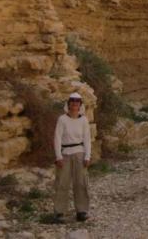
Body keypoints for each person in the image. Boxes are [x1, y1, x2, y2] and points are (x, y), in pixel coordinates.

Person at [53, 92, 92, 222]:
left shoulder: (84, 120)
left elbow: (87, 139)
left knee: (81, 183)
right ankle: (59, 212)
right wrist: (58, 156)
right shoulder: (62, 119)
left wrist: (87, 156)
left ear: (80, 104)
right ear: (68, 103)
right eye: (72, 101)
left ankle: (82, 211)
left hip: (79, 153)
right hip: (65, 154)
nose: (75, 103)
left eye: (77, 101)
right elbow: (57, 138)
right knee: (62, 183)